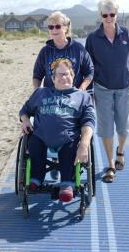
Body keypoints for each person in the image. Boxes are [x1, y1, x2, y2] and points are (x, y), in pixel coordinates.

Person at [19, 59, 95, 202]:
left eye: (66, 74)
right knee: (33, 142)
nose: (63, 77)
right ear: (52, 79)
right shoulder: (41, 93)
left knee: (71, 146)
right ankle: (36, 179)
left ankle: (67, 184)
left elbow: (89, 122)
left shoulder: (82, 97)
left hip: (68, 138)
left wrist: (84, 144)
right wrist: (25, 120)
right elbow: (25, 110)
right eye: (59, 75)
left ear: (73, 76)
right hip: (41, 136)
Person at [85, 0, 129, 183]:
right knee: (106, 127)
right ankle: (110, 163)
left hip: (125, 87)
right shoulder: (93, 38)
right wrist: (90, 92)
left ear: (117, 15)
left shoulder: (127, 34)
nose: (109, 17)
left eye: (112, 14)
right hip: (102, 88)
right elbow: (88, 67)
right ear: (100, 15)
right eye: (105, 14)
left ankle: (121, 151)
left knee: (123, 126)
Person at [33, 11, 94, 91]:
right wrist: (37, 92)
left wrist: (82, 89)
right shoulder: (45, 51)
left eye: (58, 26)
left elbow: (90, 72)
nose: (54, 29)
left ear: (66, 28)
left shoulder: (78, 48)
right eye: (51, 27)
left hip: (74, 97)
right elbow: (37, 75)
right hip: (51, 98)